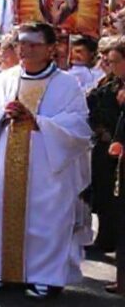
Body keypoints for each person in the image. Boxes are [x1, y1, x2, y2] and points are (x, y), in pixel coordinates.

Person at [0, 22, 90, 299]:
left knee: (44, 220)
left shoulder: (67, 84)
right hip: (5, 159)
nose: (25, 49)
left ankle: (44, 277)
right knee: (0, 213)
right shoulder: (5, 78)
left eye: (33, 44)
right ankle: (3, 271)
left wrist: (38, 122)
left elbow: (78, 128)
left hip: (46, 163)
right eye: (21, 43)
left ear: (51, 49)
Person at [86, 38, 125, 258]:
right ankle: (105, 237)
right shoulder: (107, 84)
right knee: (103, 195)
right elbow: (91, 106)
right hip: (105, 148)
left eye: (114, 61)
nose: (109, 66)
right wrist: (100, 130)